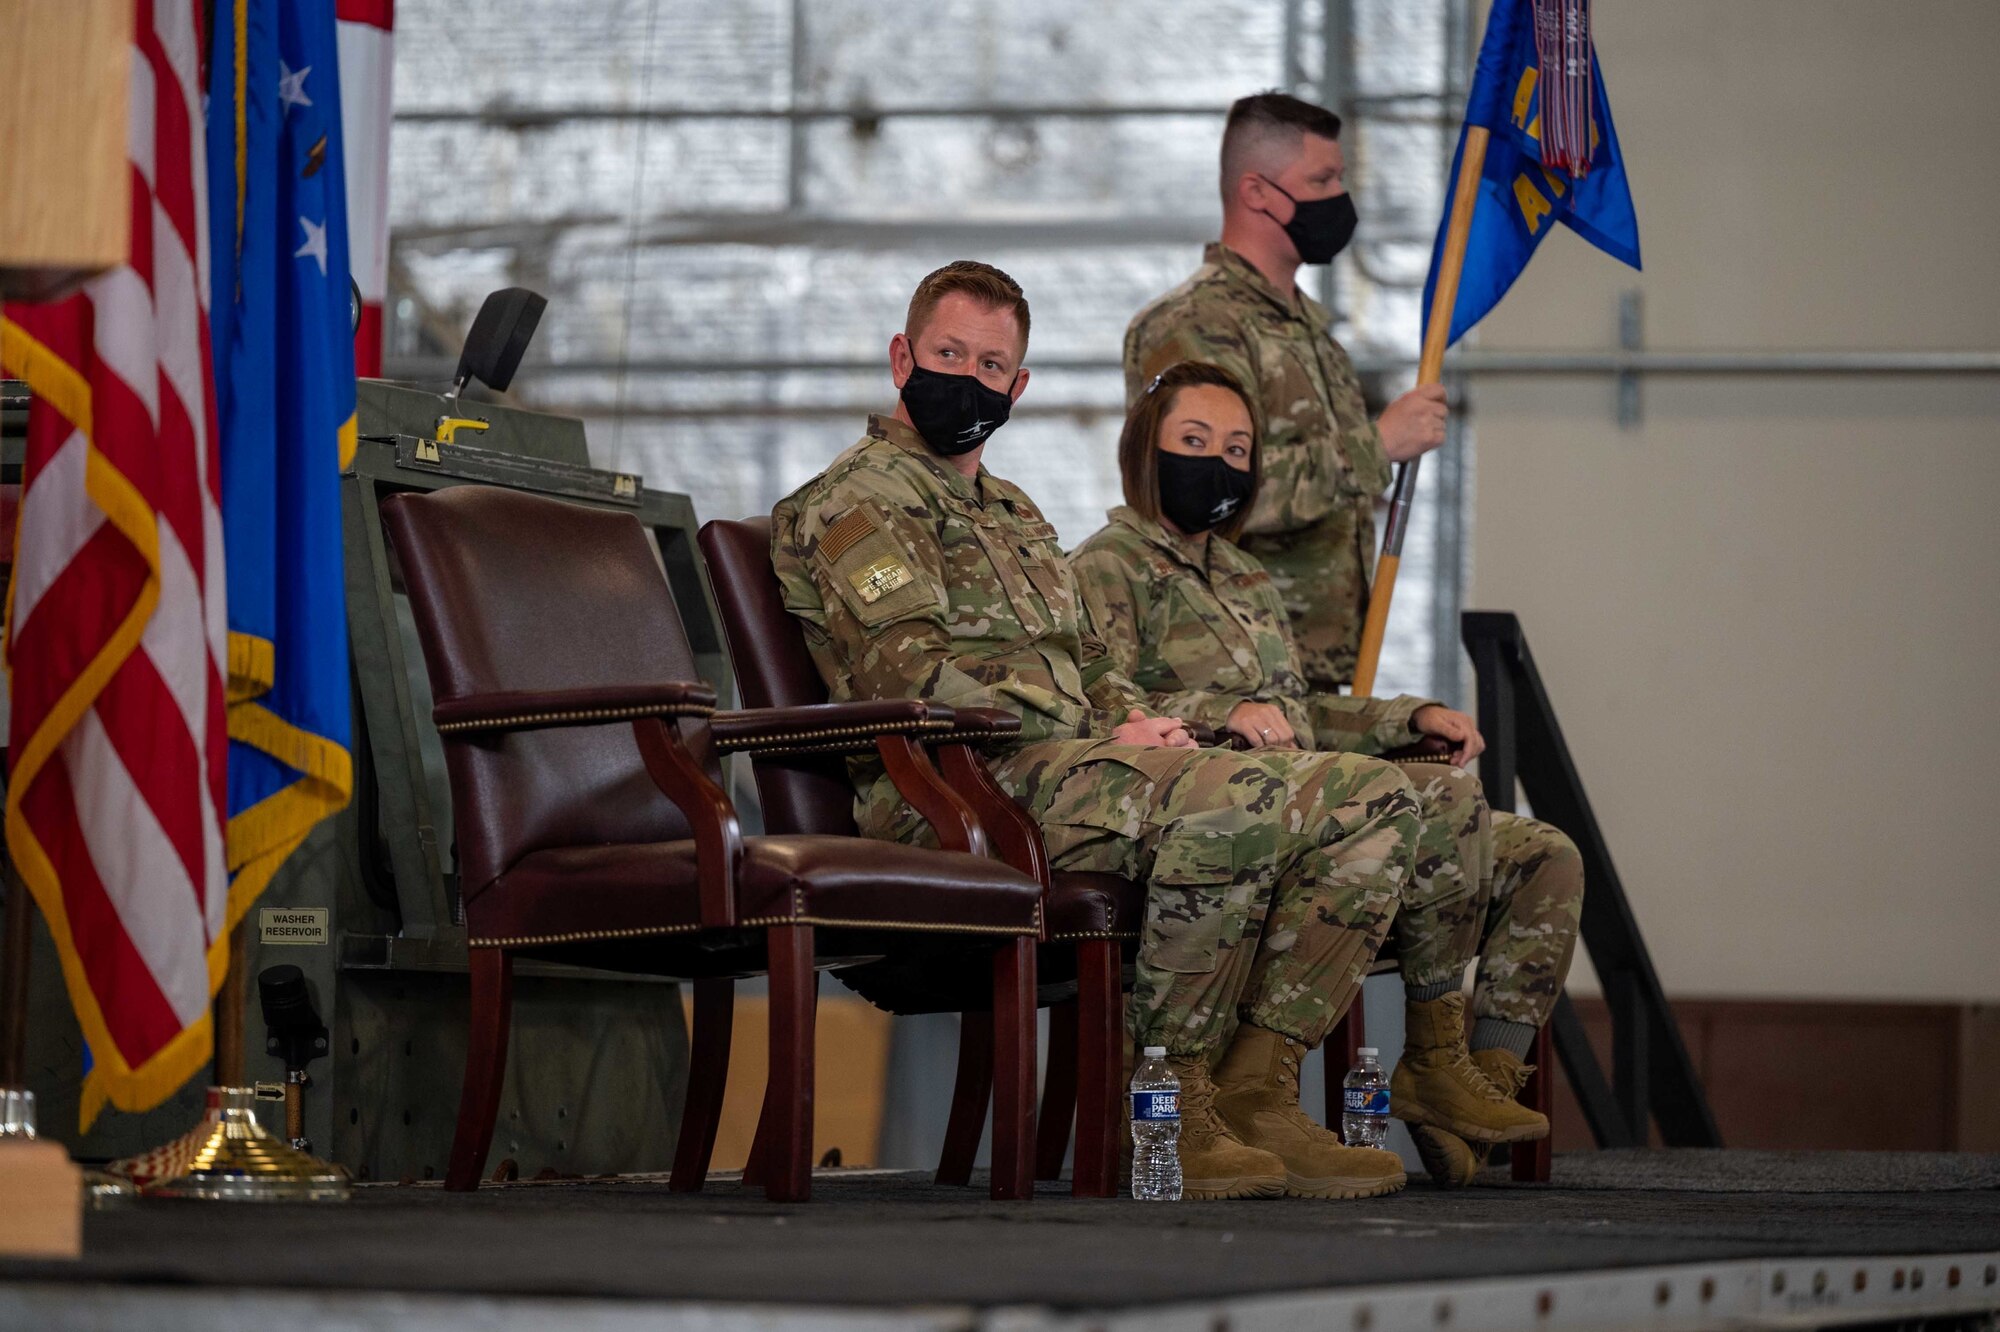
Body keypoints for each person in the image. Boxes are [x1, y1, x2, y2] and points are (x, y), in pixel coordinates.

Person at [772, 261, 1423, 1201]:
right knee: (1234, 809)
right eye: (949, 353)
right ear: (901, 356)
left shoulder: (1015, 512)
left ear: (1018, 386)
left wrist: (1149, 723)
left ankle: (1256, 1091)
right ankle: (1166, 1103)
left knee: (1373, 803)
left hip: (1068, 769)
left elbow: (1088, 663)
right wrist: (1102, 729)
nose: (970, 376)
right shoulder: (860, 500)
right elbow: (910, 676)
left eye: (993, 364)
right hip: (955, 788)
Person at [1070, 361, 1582, 1185]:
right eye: (1194, 442)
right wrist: (1217, 718)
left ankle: (1461, 1077)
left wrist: (1404, 718)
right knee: (1436, 799)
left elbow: (1300, 707)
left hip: (1315, 792)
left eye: (1238, 450)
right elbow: (1106, 702)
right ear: (1144, 452)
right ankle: (1262, 1085)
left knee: (1543, 854)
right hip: (1223, 806)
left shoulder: (1245, 577)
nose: (1220, 464)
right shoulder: (1108, 565)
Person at [1123, 90, 1449, 695]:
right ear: (1257, 193)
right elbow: (1206, 491)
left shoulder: (1313, 334)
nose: (1338, 199)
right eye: (1321, 180)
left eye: (1339, 179)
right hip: (1231, 671)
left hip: (1318, 670)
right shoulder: (1195, 325)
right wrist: (1376, 445)